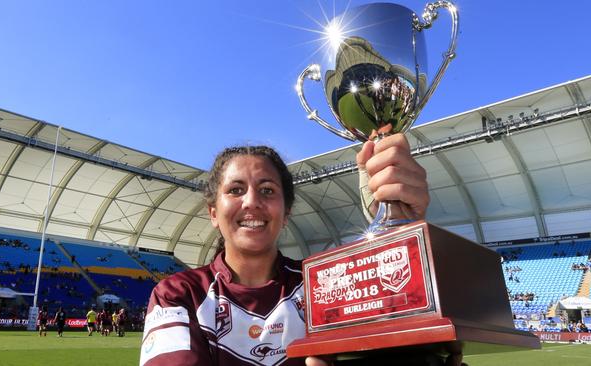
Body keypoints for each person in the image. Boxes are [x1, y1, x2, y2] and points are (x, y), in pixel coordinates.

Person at [140, 136, 459, 366]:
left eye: (267, 190)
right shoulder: (177, 294)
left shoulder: (324, 286)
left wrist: (401, 228)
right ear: (213, 213)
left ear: (286, 211)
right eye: (236, 190)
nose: (251, 201)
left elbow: (407, 335)